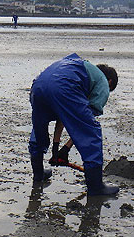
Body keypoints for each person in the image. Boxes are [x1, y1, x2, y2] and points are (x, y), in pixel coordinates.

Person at [28, 53, 119, 196]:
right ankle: (96, 187)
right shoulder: (102, 81)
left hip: (38, 86)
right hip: (64, 88)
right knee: (92, 133)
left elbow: (62, 115)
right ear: (109, 81)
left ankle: (38, 174)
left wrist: (59, 148)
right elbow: (84, 127)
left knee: (39, 128)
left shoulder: (75, 66)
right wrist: (66, 148)